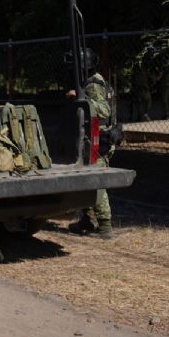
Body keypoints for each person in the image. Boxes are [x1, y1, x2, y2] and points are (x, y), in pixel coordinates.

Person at [67, 50, 115, 239]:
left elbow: (103, 110)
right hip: (94, 139)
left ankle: (105, 227)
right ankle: (87, 220)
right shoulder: (92, 80)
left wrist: (80, 99)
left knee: (96, 183)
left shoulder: (93, 83)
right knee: (86, 180)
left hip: (99, 141)